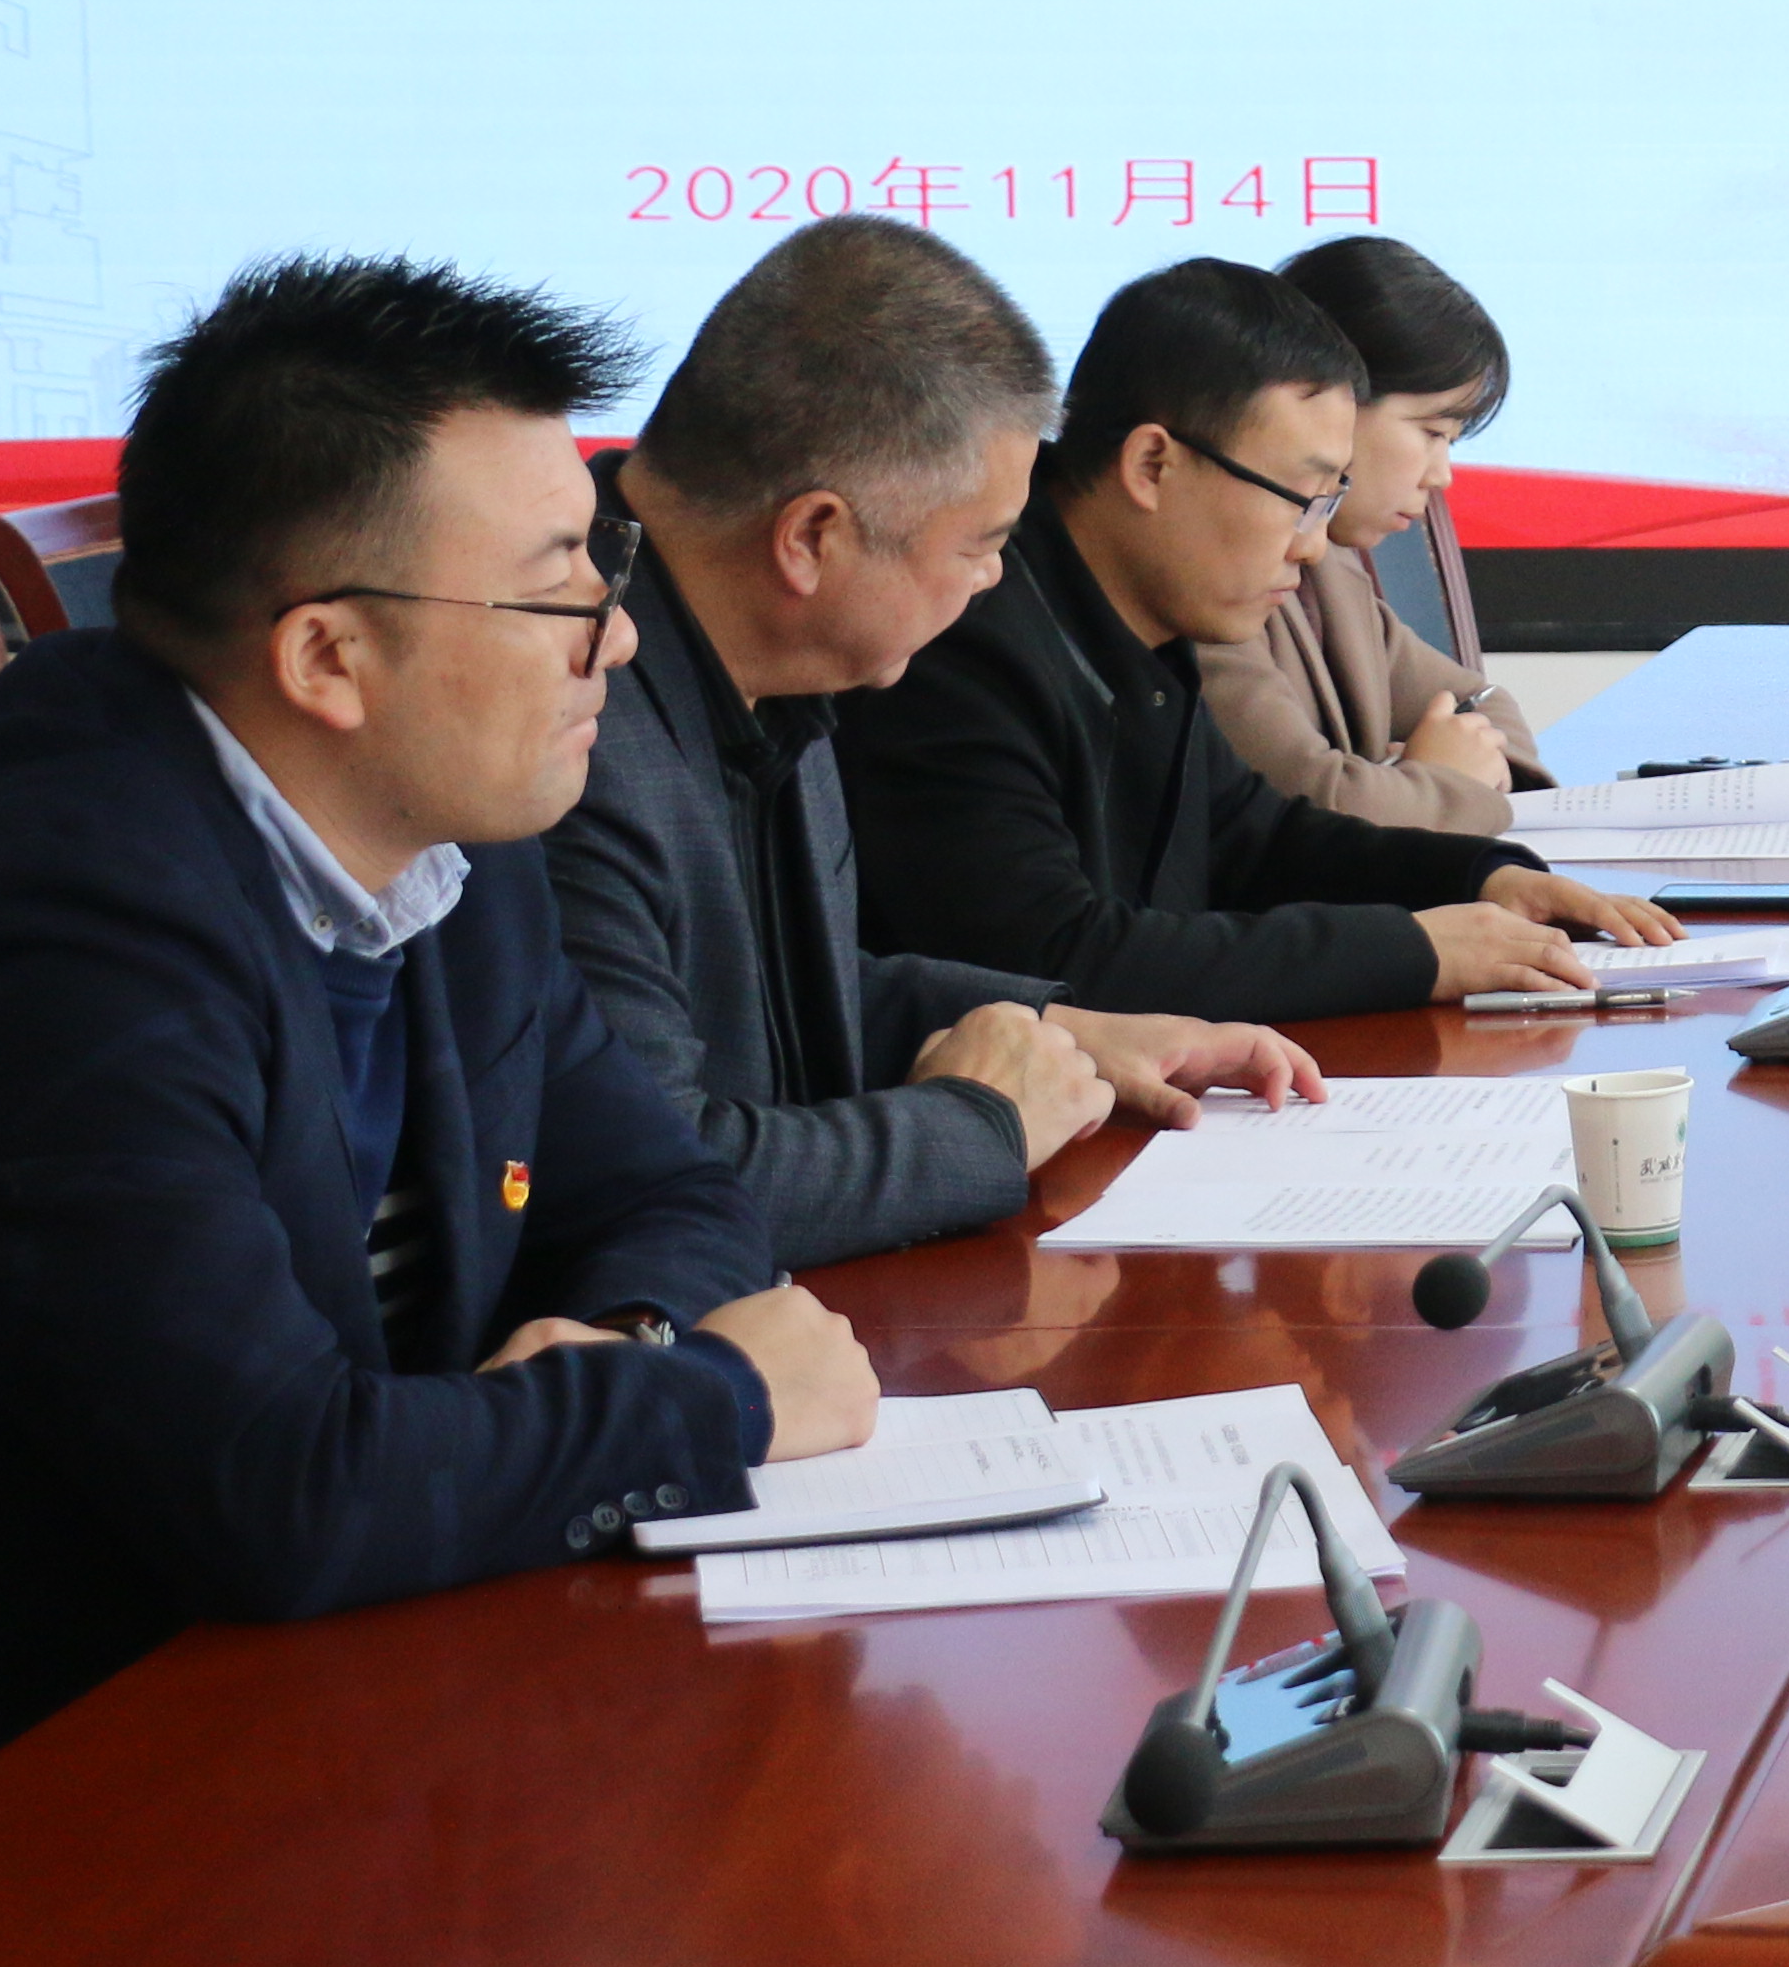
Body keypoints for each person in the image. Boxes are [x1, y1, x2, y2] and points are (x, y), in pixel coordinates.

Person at [0, 257, 878, 1851]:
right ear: (326, 658)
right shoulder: (54, 924)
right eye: (560, 587)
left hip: (297, 1705)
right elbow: (281, 1493)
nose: (613, 641)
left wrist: (625, 1338)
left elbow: (668, 1189)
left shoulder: (444, 841)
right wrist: (713, 1399)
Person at [554, 217, 1331, 1272]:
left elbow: (785, 996)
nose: (995, 580)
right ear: (813, 537)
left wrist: (1069, 1027)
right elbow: (658, 1176)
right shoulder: (566, 720)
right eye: (980, 544)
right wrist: (985, 1122)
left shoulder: (771, 660)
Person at [841, 257, 1674, 1017]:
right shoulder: (961, 642)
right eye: (1301, 498)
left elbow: (1254, 838)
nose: (1312, 546)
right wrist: (1413, 951)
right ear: (1152, 465)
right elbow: (1053, 956)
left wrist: (1480, 878)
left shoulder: (1140, 623)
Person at [1197, 234, 1546, 832]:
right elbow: (1321, 807)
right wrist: (1436, 779)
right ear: (1328, 398)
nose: (1441, 475)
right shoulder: (1210, 574)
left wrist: (1412, 783)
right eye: (1432, 432)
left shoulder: (1334, 569)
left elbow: (1482, 706)